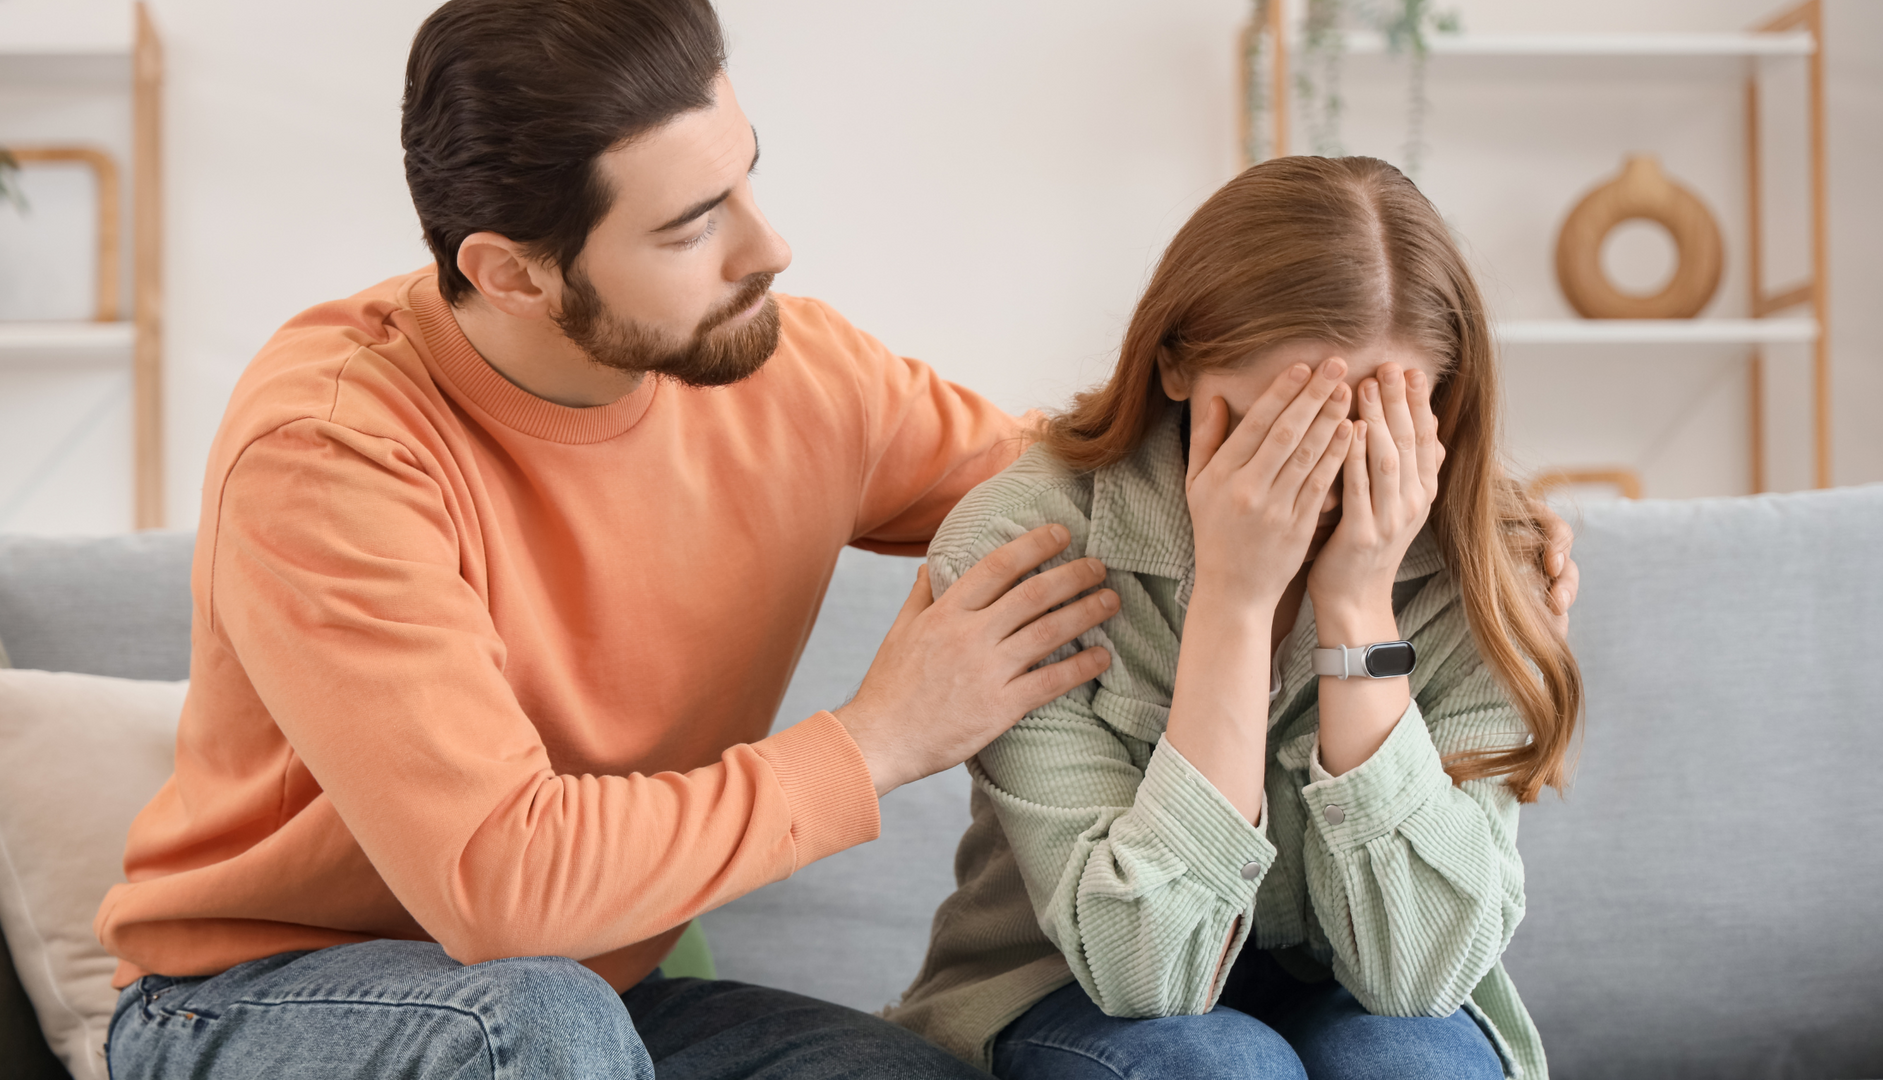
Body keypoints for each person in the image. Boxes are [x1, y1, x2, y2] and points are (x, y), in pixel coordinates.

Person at [94, 0, 1579, 1075]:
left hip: (608, 997)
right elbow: (503, 890)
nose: (771, 246)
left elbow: (1099, 476)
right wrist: (878, 740)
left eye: (748, 172)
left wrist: (1457, 517)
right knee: (535, 1023)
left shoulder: (788, 370)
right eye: (692, 225)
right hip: (271, 997)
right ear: (515, 272)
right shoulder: (332, 450)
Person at [887, 155, 1583, 1080]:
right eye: (1278, 428)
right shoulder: (1023, 543)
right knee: (1219, 1064)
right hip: (1068, 990)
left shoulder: (1492, 561)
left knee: (1414, 1062)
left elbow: (1421, 973)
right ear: (1175, 361)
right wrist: (1235, 598)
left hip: (1354, 987)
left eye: (1370, 429)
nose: (1321, 481)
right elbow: (1148, 972)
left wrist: (1358, 605)